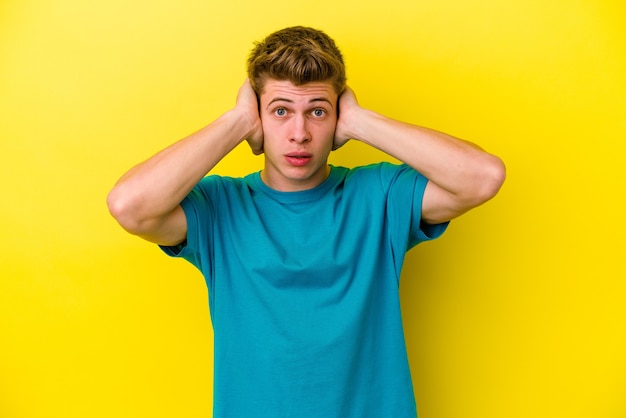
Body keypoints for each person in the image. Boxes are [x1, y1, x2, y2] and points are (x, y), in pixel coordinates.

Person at [107, 26, 505, 418]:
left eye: (317, 112)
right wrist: (237, 122)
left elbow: (482, 177)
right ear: (258, 117)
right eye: (280, 111)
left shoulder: (379, 194)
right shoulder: (220, 206)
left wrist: (360, 122)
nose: (300, 133)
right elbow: (130, 205)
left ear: (337, 119)